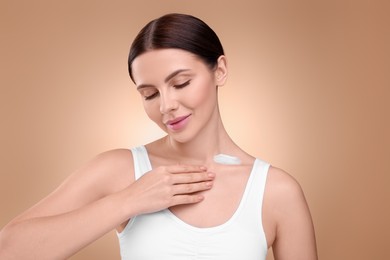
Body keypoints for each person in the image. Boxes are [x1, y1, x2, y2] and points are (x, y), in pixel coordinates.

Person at [0, 13, 317, 259]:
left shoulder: (276, 191)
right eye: (150, 94)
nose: (167, 106)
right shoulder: (120, 170)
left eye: (180, 83)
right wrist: (129, 200)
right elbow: (10, 250)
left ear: (219, 70)